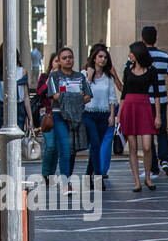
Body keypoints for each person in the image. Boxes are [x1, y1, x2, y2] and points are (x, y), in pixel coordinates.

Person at [133, 25, 168, 177]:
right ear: (156, 38)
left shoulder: (137, 56)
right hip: (162, 99)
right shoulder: (164, 56)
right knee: (162, 131)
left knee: (147, 133)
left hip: (144, 100)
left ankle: (152, 166)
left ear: (142, 39)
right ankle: (165, 160)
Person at [40, 47, 90, 180]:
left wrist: (68, 96)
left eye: (70, 57)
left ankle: (68, 176)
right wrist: (77, 96)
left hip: (77, 117)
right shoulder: (54, 76)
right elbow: (55, 95)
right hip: (59, 115)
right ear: (59, 62)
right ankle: (65, 182)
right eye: (64, 58)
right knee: (65, 149)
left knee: (72, 151)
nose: (68, 60)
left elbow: (88, 96)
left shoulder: (80, 76)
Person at [119, 42, 160, 191]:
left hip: (144, 107)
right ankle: (137, 181)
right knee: (133, 147)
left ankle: (147, 177)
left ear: (137, 54)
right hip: (129, 108)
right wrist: (119, 115)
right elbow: (123, 93)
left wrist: (158, 116)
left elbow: (156, 95)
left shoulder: (152, 71)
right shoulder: (127, 70)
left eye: (131, 52)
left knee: (148, 146)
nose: (129, 55)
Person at [82, 45, 119, 189]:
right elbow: (83, 92)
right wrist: (90, 76)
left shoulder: (108, 77)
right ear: (94, 58)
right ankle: (98, 177)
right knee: (95, 144)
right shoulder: (84, 74)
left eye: (105, 57)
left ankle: (87, 174)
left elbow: (112, 97)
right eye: (100, 57)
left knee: (96, 147)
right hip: (89, 113)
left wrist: (111, 115)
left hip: (104, 115)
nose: (103, 60)